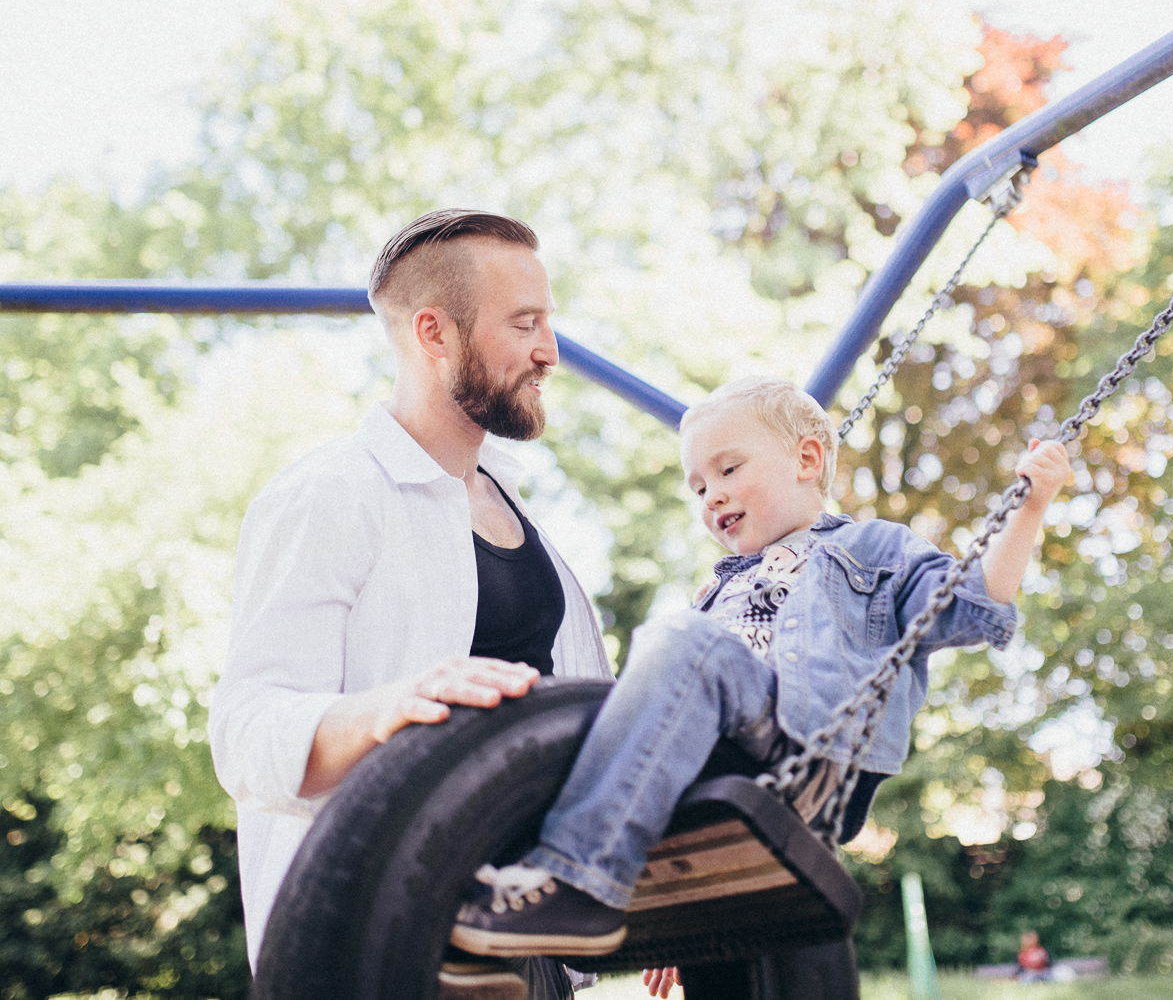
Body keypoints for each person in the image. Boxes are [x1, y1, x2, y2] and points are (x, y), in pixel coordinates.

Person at [448, 376, 1072, 958]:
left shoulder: (868, 551)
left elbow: (974, 604)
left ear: (805, 461)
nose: (711, 493)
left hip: (800, 753)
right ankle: (552, 874)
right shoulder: (716, 590)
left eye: (728, 469)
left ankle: (579, 882)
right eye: (697, 487)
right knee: (610, 691)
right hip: (716, 755)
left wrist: (1030, 508)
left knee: (677, 642)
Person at [208, 210, 612, 1000]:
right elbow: (246, 731)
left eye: (548, 323)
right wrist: (390, 708)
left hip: (520, 938)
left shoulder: (518, 510)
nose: (548, 352)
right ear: (435, 334)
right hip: (384, 938)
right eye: (524, 324)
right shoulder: (328, 496)